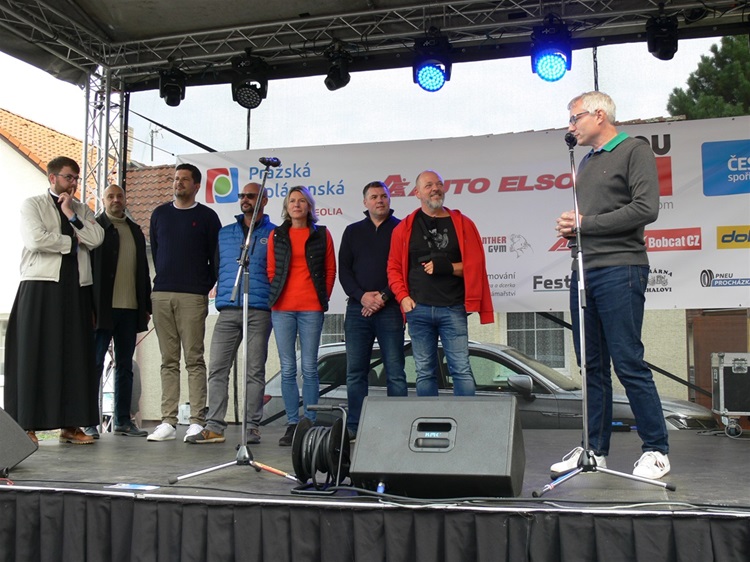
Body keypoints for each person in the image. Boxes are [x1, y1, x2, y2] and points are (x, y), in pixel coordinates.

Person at [551, 91, 670, 480]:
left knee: (628, 361)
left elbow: (645, 208)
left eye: (575, 117)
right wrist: (573, 229)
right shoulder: (586, 161)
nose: (570, 126)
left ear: (599, 115)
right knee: (591, 365)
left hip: (621, 267)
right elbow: (592, 220)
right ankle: (594, 449)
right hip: (585, 269)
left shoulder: (634, 150)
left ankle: (656, 450)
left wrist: (585, 224)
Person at [4, 156, 104, 445]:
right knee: (35, 355)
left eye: (76, 178)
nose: (73, 183)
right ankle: (27, 426)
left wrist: (71, 214)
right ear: (52, 178)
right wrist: (72, 242)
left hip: (76, 289)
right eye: (68, 177)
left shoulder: (81, 209)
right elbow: (36, 239)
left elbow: (96, 238)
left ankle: (71, 426)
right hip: (40, 286)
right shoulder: (32, 204)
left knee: (74, 357)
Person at [387, 170, 494, 397]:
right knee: (424, 372)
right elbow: (393, 267)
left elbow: (475, 267)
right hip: (418, 309)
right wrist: (403, 297)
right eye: (428, 185)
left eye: (439, 184)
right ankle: (429, 420)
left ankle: (465, 419)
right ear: (417, 193)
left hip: (453, 308)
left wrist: (447, 267)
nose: (435, 188)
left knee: (461, 370)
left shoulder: (463, 224)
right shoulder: (403, 228)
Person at [187, 182, 275, 445]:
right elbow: (216, 266)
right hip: (228, 307)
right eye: (242, 195)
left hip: (259, 309)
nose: (245, 199)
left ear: (264, 200)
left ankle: (252, 427)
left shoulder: (274, 233)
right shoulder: (225, 233)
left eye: (251, 196)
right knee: (217, 368)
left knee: (254, 370)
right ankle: (214, 425)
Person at [147, 163, 222, 442]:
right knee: (168, 360)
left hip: (193, 296)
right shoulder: (160, 214)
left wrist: (203, 286)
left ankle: (196, 420)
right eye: (176, 179)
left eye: (184, 179)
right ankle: (167, 421)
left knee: (194, 359)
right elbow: (157, 251)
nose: (178, 183)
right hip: (162, 293)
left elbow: (216, 257)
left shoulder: (207, 217)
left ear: (196, 185)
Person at [267, 186, 336, 446]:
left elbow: (330, 270)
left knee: (309, 367)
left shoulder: (322, 234)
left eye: (302, 201)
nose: (297, 204)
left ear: (309, 206)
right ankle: (293, 424)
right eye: (292, 201)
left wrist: (321, 298)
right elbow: (271, 269)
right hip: (282, 309)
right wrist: (279, 293)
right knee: (287, 368)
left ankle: (310, 421)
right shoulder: (277, 234)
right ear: (287, 206)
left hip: (311, 308)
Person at [339, 181, 407, 437]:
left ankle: (398, 427)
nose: (380, 200)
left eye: (384, 196)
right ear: (365, 202)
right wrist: (362, 296)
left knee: (395, 372)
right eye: (374, 197)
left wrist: (383, 297)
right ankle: (355, 427)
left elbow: (405, 268)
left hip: (391, 309)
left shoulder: (402, 228)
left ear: (390, 200)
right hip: (357, 310)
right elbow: (344, 272)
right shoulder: (352, 231)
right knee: (356, 372)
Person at [89, 184, 151, 438]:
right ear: (103, 200)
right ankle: (88, 422)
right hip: (102, 309)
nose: (116, 200)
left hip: (130, 309)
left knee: (125, 366)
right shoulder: (95, 228)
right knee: (94, 364)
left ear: (125, 200)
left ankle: (123, 420)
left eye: (119, 196)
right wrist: (88, 307)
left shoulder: (135, 230)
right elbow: (87, 271)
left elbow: (143, 270)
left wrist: (145, 306)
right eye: (110, 196)